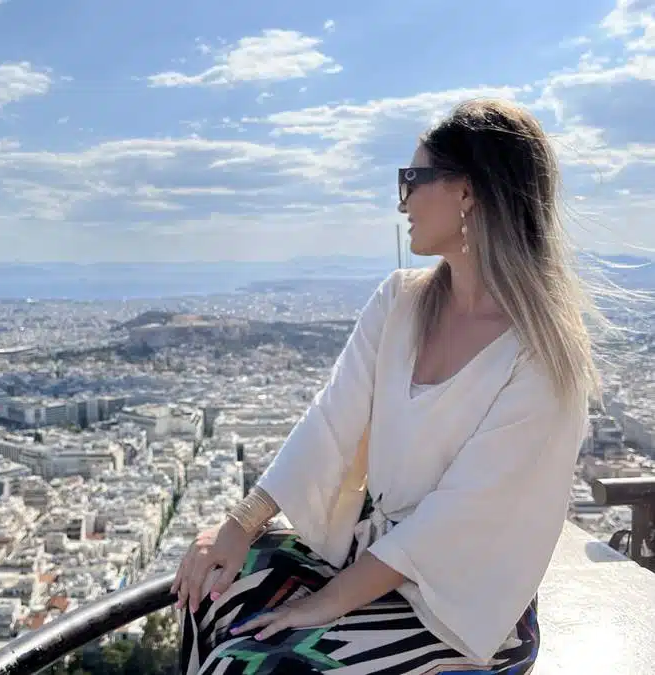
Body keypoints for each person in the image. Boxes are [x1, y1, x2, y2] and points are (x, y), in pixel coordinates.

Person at [171, 98, 596, 674]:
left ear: (467, 192)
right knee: (212, 594)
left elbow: (456, 521)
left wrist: (327, 601)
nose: (402, 202)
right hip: (374, 549)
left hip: (464, 603)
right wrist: (237, 525)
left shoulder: (541, 357)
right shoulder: (400, 301)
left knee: (256, 664)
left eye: (412, 180)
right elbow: (330, 422)